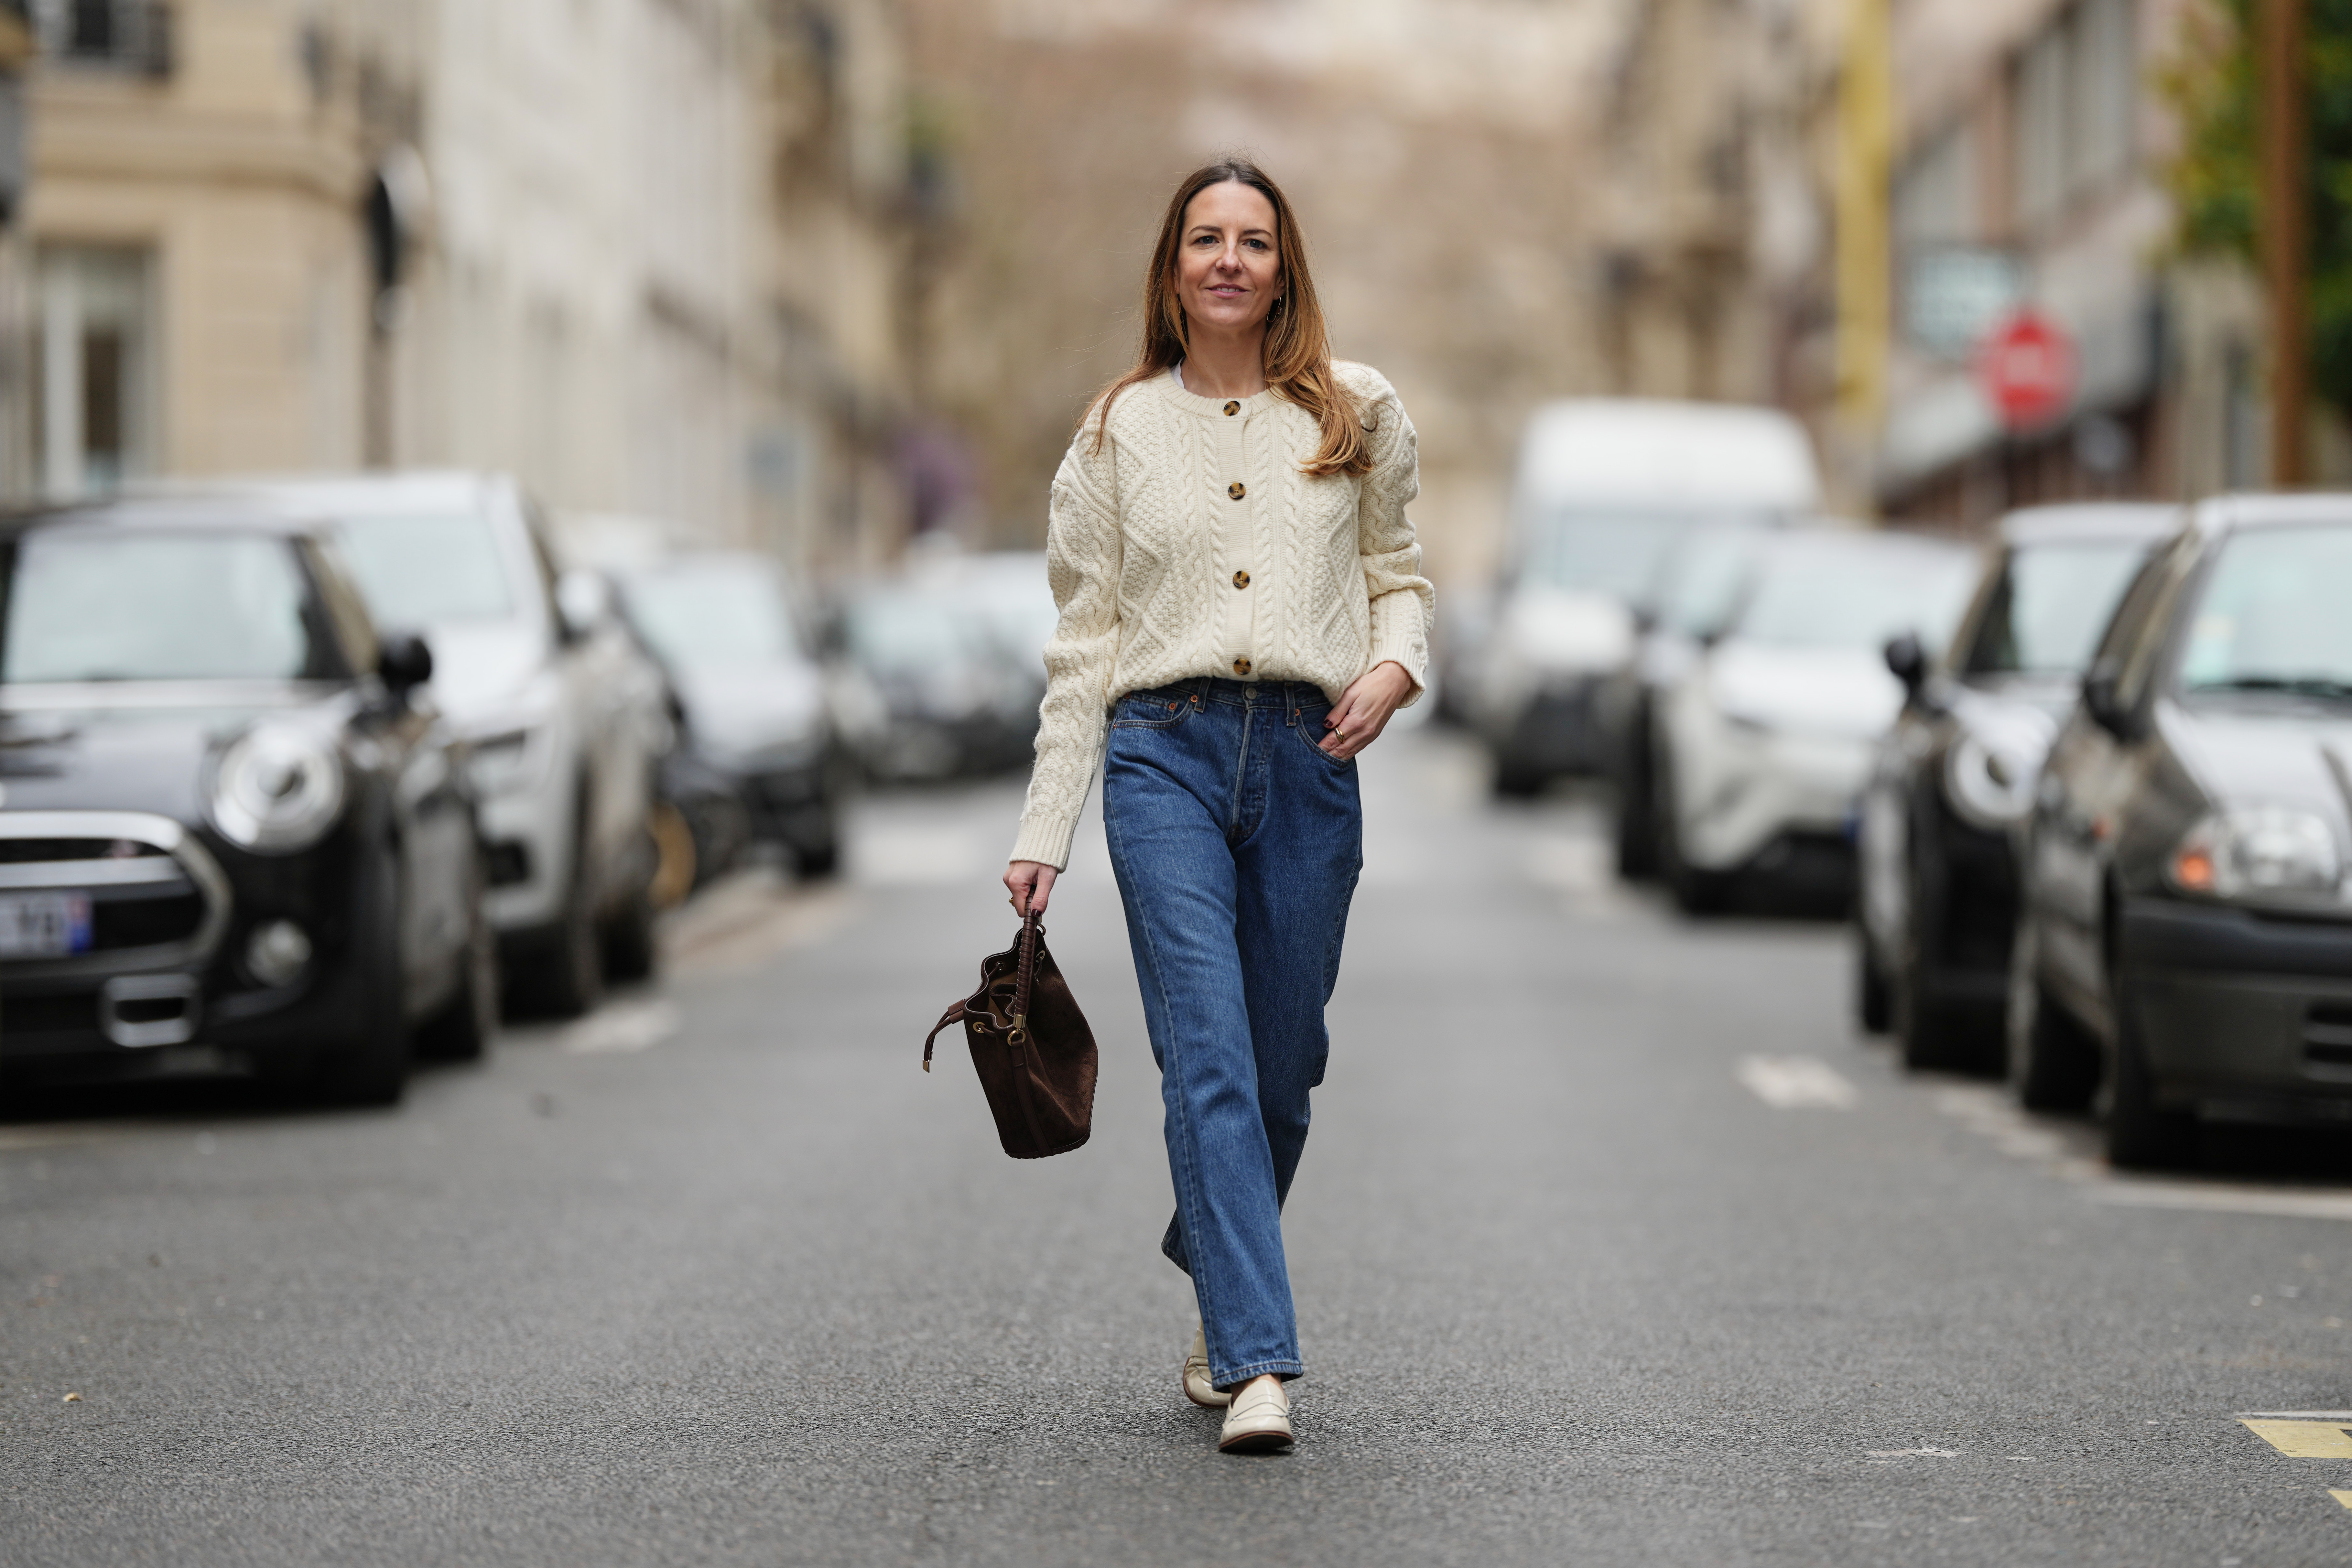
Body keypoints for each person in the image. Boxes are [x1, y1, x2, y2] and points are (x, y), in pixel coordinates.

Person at [1002, 157, 1434, 1455]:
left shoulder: (1356, 409)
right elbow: (1083, 644)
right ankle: (1251, 1359)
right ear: (1172, 267)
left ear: (1284, 264)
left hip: (1309, 760)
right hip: (1162, 755)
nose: (1229, 259)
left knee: (1282, 1066)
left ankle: (1216, 1241)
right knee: (1207, 1058)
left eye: (1253, 239)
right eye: (1205, 239)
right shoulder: (1116, 429)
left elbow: (1398, 574)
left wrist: (1397, 663)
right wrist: (1044, 828)